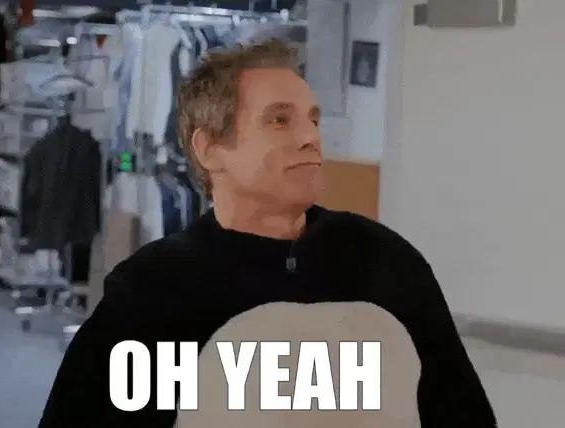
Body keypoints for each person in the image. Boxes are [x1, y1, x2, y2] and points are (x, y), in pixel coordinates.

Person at [39, 39, 497, 427]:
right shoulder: (155, 290)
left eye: (313, 119)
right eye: (280, 120)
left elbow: (461, 413)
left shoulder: (384, 262)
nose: (311, 138)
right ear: (209, 148)